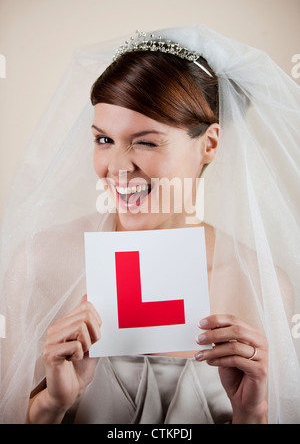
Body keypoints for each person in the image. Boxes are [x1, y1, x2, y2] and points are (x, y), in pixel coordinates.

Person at [0, 25, 299, 424]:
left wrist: (253, 413)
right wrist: (49, 407)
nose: (118, 169)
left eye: (145, 141)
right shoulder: (39, 263)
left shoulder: (262, 284)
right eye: (103, 140)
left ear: (208, 143)